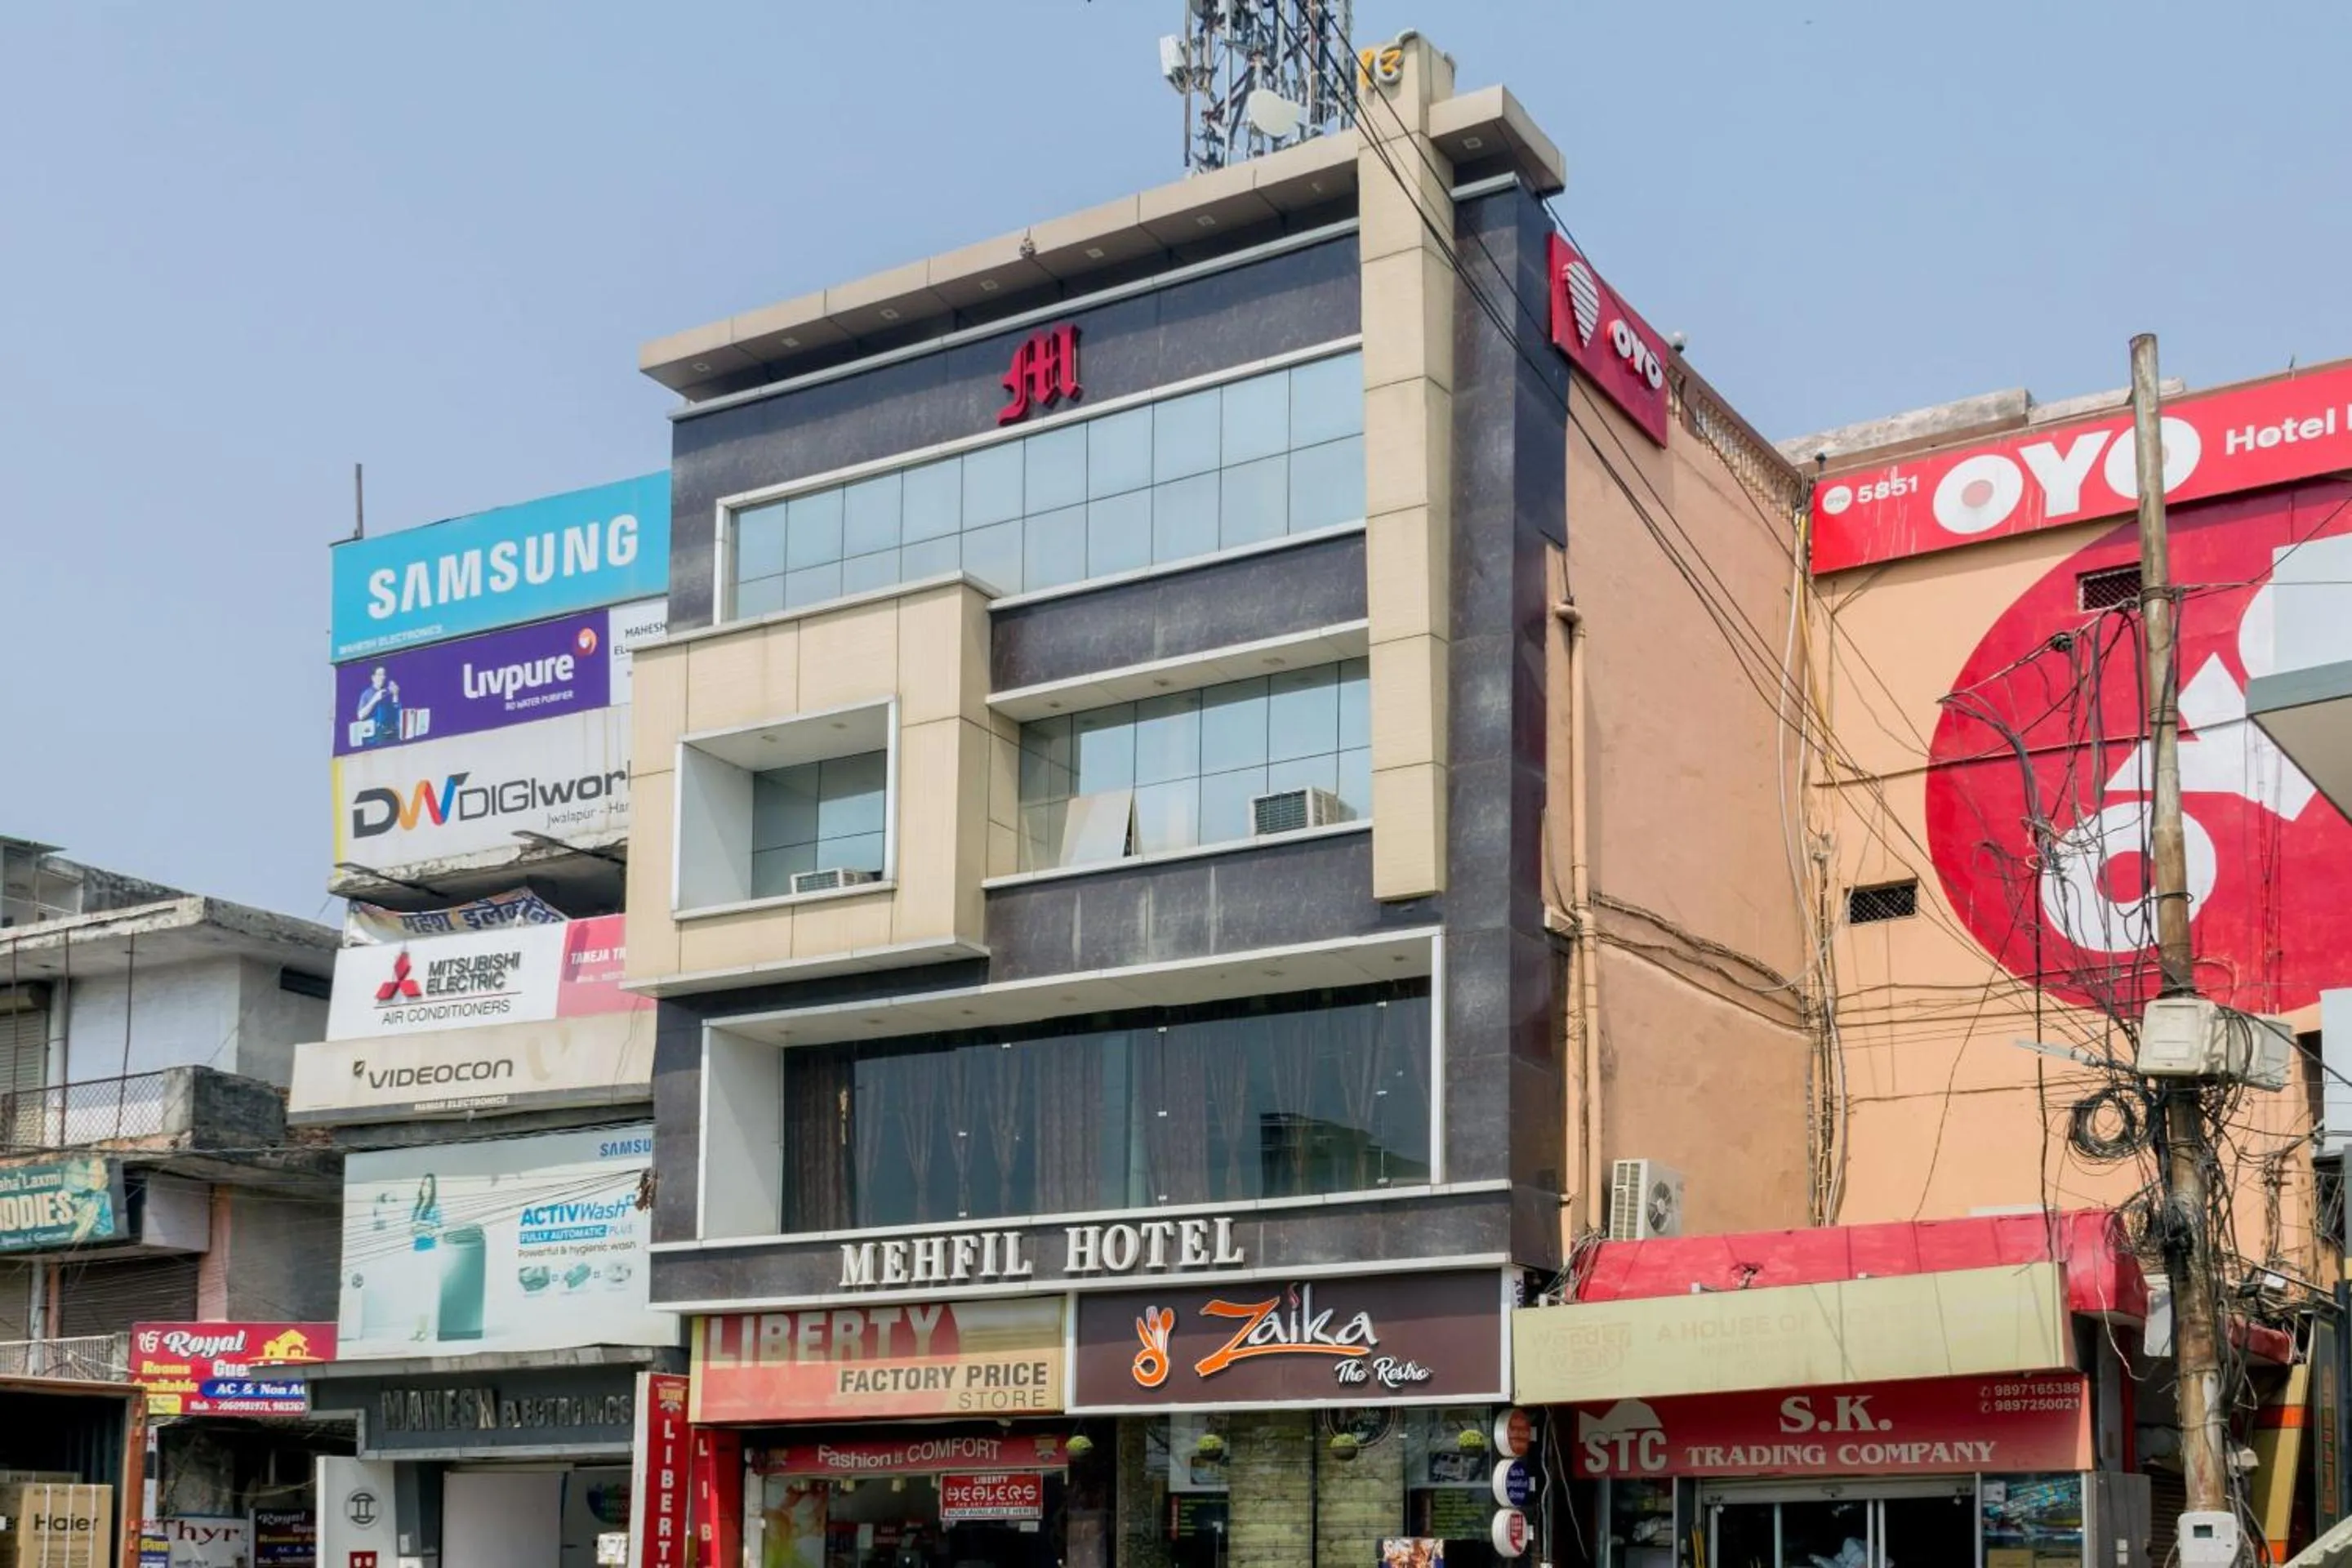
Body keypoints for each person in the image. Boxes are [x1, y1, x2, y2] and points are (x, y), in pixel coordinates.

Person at [354, 666, 402, 747]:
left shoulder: (388, 692)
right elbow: (360, 716)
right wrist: (375, 699)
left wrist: (395, 695)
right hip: (374, 738)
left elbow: (397, 714)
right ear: (373, 678)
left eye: (384, 675)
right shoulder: (367, 694)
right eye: (379, 675)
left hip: (390, 735)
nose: (382, 678)